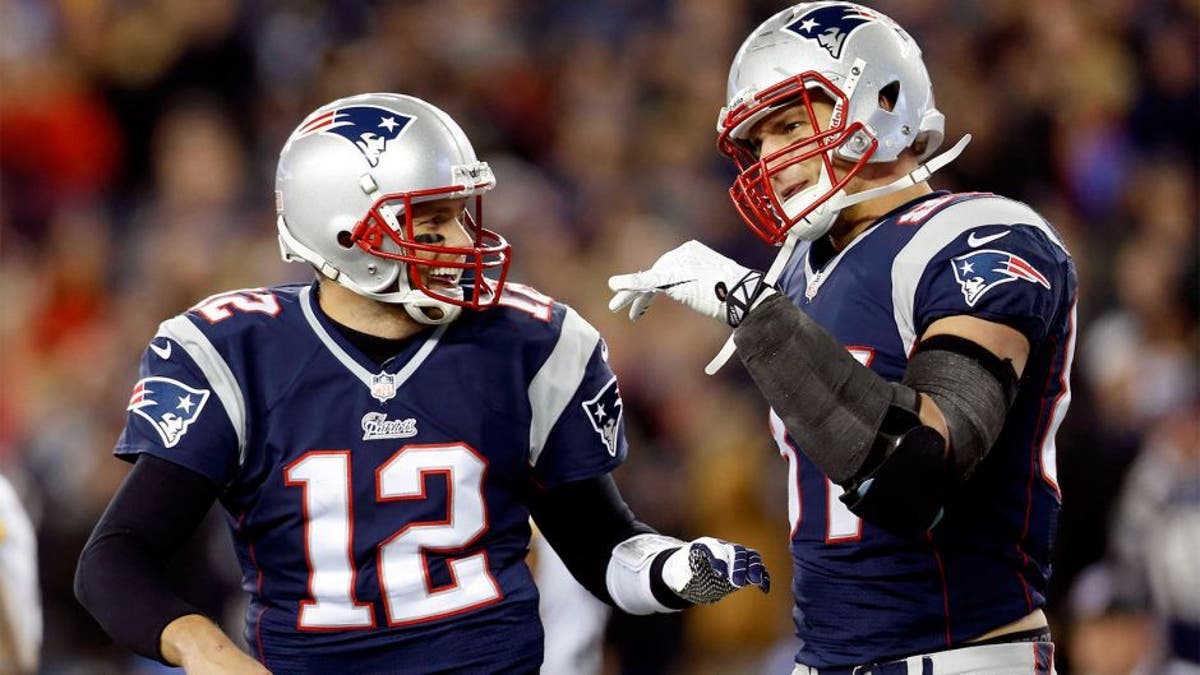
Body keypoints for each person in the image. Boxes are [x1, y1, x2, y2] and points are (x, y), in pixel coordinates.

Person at [75, 92, 769, 674]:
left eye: (462, 213)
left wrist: (673, 571)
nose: (465, 241)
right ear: (343, 232)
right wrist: (210, 652)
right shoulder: (238, 352)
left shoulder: (529, 344)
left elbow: (600, 546)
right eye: (431, 220)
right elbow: (113, 563)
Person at [608, 3, 1077, 673]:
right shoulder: (800, 272)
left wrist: (752, 312)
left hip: (960, 656)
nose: (770, 156)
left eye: (792, 123)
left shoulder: (980, 237)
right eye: (758, 139)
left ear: (884, 100)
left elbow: (917, 472)